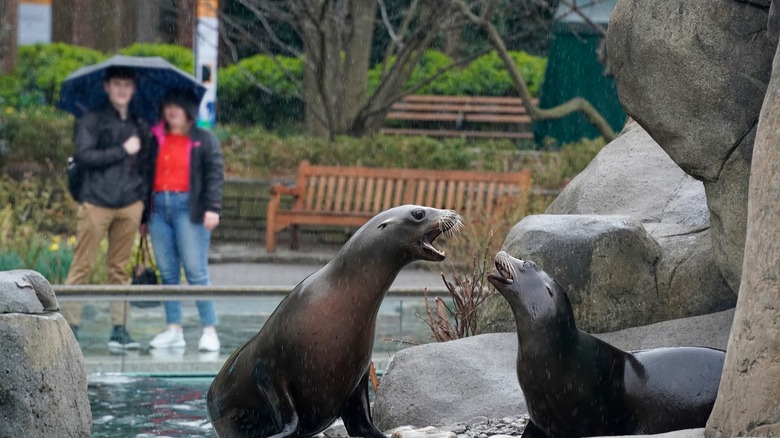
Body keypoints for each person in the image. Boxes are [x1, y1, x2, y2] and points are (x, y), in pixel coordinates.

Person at [62, 66, 152, 350]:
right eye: (117, 84)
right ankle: (69, 327)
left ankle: (120, 329)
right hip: (96, 202)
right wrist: (122, 150)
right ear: (107, 87)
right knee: (82, 266)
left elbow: (145, 168)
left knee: (119, 269)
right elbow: (85, 156)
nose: (122, 89)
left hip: (129, 205)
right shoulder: (92, 119)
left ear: (133, 89)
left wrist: (143, 209)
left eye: (127, 84)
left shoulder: (140, 124)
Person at [146, 89, 224, 352]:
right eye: (168, 105)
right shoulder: (156, 138)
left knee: (196, 272)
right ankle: (174, 329)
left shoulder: (204, 139)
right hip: (158, 210)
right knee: (168, 273)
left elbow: (214, 173)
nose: (172, 111)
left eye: (177, 106)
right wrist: (144, 215)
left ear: (188, 110)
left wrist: (213, 208)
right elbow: (145, 175)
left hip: (189, 209)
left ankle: (209, 330)